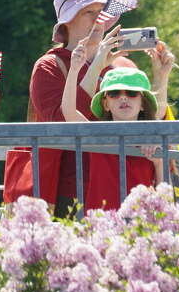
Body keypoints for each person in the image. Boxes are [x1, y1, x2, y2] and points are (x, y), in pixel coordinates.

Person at [21, 0, 176, 216]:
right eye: (88, 13)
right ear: (67, 20)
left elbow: (148, 117)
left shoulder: (123, 65)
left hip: (128, 189)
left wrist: (160, 78)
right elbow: (66, 122)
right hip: (69, 192)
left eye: (101, 12)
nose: (98, 19)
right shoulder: (49, 66)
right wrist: (93, 63)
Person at [60, 66, 164, 211]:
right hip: (102, 224)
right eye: (114, 93)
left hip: (142, 224)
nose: (123, 97)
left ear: (142, 104)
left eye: (132, 93)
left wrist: (159, 163)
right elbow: (69, 110)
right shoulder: (97, 135)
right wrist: (73, 69)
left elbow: (164, 198)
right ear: (106, 104)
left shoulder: (154, 138)